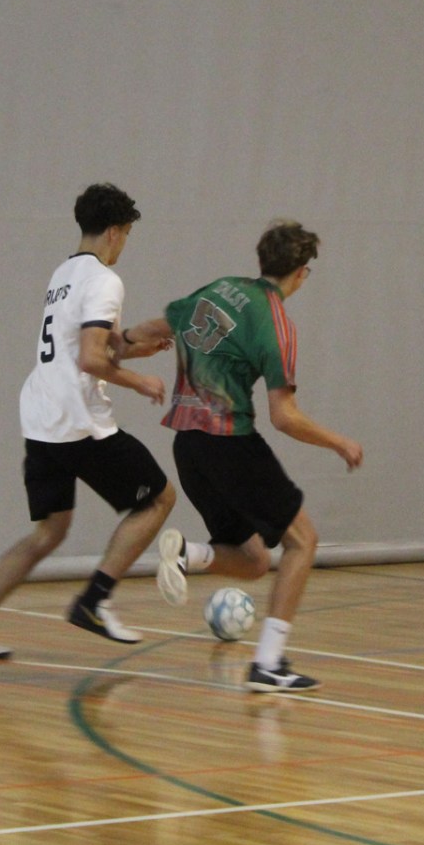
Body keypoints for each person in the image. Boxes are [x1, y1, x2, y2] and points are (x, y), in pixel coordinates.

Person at [0, 183, 178, 661]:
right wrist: (140, 381)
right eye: (127, 234)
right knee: (158, 499)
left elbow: (94, 345)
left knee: (49, 533)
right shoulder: (106, 280)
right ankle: (94, 601)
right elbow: (91, 359)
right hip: (78, 421)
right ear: (114, 232)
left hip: (41, 418)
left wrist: (138, 349)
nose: (125, 244)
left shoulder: (64, 274)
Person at [150, 220, 363, 693]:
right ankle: (268, 663)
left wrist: (121, 344)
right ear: (301, 273)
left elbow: (164, 324)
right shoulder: (276, 324)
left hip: (187, 446)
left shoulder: (221, 288)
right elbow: (284, 417)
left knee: (252, 560)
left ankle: (187, 554)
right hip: (229, 443)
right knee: (303, 542)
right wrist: (338, 442)